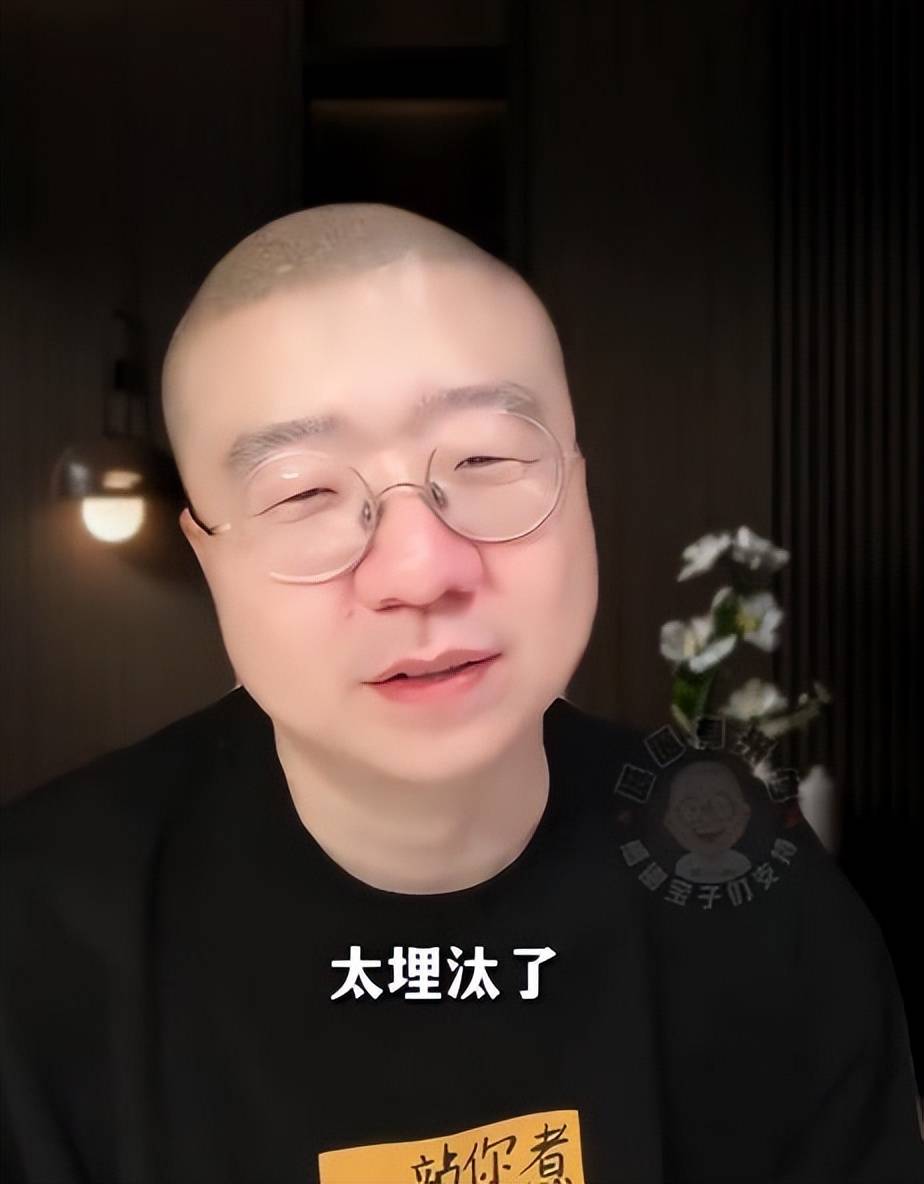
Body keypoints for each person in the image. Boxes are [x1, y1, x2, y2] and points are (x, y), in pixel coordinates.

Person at [2, 204, 921, 1183]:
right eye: (304, 494)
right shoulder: (35, 940)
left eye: (484, 459)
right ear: (208, 556)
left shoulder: (748, 882)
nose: (421, 568)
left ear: (578, 485)